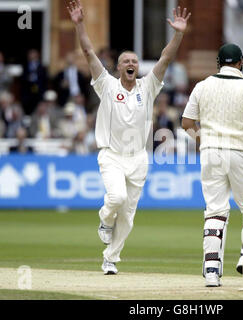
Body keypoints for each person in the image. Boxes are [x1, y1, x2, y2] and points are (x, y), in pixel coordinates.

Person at [67, 0, 191, 275]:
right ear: (119, 67)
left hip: (138, 158)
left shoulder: (148, 87)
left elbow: (166, 59)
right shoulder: (106, 85)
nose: (131, 63)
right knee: (116, 198)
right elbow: (88, 52)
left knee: (129, 217)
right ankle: (104, 218)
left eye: (134, 60)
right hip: (111, 155)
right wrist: (79, 25)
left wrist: (179, 34)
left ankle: (110, 258)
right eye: (126, 61)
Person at [182, 43, 243, 287]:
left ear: (218, 63)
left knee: (215, 210)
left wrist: (204, 141)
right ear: (240, 62)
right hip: (240, 153)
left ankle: (212, 271)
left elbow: (186, 123)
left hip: (210, 154)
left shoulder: (202, 86)